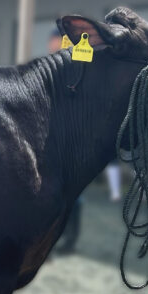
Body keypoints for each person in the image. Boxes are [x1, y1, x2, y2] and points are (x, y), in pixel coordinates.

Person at [49, 28, 82, 254]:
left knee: (74, 196)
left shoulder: (78, 68)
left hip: (74, 141)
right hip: (53, 139)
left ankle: (70, 239)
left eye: (54, 42)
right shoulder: (52, 69)